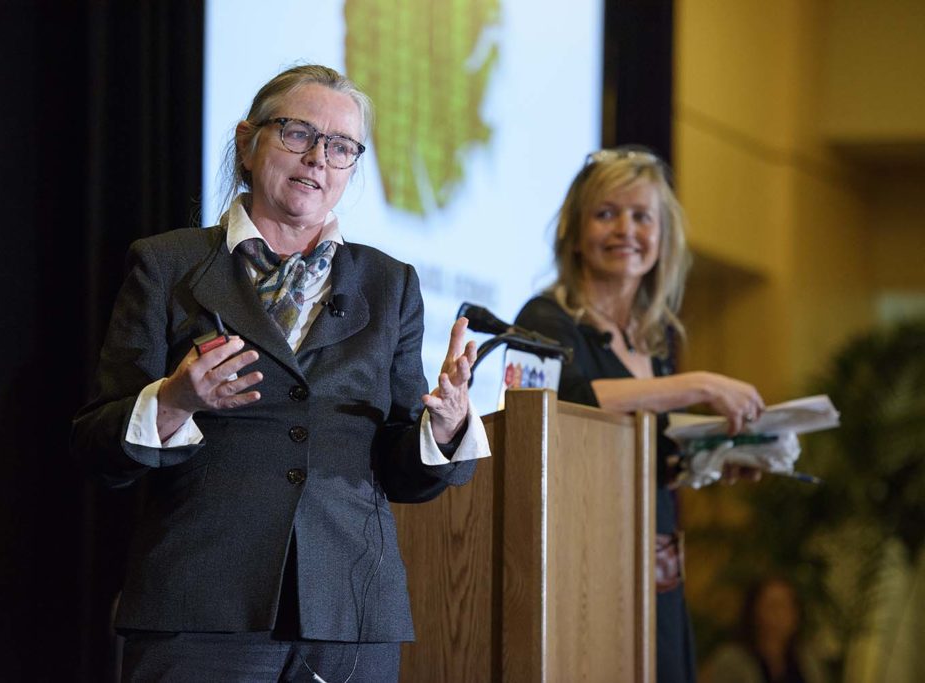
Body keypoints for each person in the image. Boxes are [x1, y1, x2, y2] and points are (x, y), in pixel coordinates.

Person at [71, 64, 490, 682]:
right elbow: (95, 446)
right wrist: (175, 400)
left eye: (342, 147)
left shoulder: (390, 283)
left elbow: (402, 468)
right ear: (248, 142)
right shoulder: (165, 265)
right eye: (298, 133)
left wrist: (446, 427)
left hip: (349, 614)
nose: (319, 158)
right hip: (202, 608)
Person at [514, 147, 765, 683]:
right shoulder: (543, 318)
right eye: (606, 214)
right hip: (584, 568)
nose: (624, 229)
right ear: (574, 234)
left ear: (662, 237)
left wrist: (712, 458)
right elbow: (565, 404)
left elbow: (643, 455)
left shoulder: (652, 343)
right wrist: (696, 384)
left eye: (641, 216)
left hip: (657, 568)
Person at [702, 576, 827, 683]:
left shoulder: (806, 658)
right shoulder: (732, 661)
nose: (780, 615)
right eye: (773, 606)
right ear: (754, 612)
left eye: (787, 606)